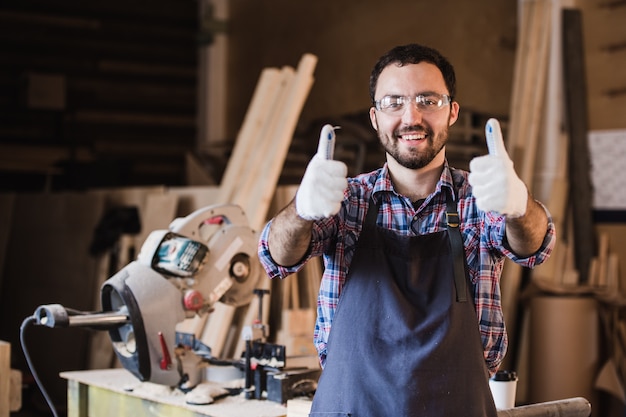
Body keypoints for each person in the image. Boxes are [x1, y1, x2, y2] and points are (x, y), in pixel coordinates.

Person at [257, 43, 555, 416]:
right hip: (353, 407)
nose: (411, 117)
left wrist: (519, 206)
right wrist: (302, 211)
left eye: (428, 101)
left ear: (452, 112)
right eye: (393, 102)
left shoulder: (480, 201)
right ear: (374, 118)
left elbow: (534, 246)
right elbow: (276, 256)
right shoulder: (347, 201)